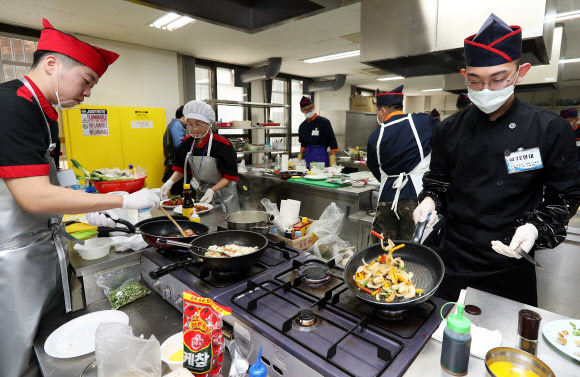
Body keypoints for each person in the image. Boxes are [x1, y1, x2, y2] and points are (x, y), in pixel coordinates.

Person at [0, 18, 159, 377]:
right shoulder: (12, 105)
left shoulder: (44, 114)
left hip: (39, 254)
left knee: (45, 351)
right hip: (10, 264)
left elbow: (50, 187)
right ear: (52, 64)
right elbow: (35, 198)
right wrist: (117, 200)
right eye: (86, 80)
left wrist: (80, 213)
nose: (88, 93)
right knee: (16, 358)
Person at [413, 14, 580, 306]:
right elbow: (438, 181)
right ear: (464, 75)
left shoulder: (549, 128)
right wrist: (429, 199)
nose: (486, 90)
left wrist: (535, 228)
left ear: (520, 72)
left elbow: (564, 196)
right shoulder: (448, 129)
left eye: (498, 78)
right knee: (433, 332)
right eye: (475, 81)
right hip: (451, 255)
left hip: (508, 259)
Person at [367, 85, 436, 240]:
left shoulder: (375, 136)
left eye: (377, 111)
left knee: (385, 247)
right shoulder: (424, 122)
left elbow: (374, 167)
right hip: (419, 197)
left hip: (387, 198)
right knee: (416, 247)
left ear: (382, 110)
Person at [161, 100, 240, 213]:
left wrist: (212, 191)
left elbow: (230, 176)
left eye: (198, 124)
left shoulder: (223, 144)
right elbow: (182, 169)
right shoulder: (187, 142)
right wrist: (170, 182)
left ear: (208, 122)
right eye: (190, 124)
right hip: (202, 193)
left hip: (225, 195)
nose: (194, 129)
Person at [297, 96, 339, 167]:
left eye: (310, 108)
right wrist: (300, 155)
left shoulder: (323, 121)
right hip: (308, 156)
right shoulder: (302, 126)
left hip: (321, 155)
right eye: (305, 109)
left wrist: (332, 158)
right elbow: (303, 143)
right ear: (301, 110)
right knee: (309, 174)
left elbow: (332, 139)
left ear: (314, 106)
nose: (308, 111)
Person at [162, 105, 187, 196]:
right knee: (178, 194)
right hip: (175, 165)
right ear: (184, 116)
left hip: (173, 163)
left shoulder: (173, 124)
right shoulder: (177, 125)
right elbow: (179, 144)